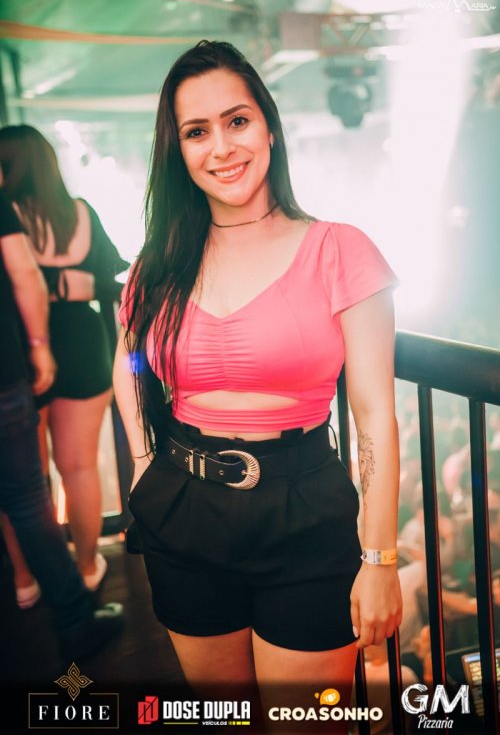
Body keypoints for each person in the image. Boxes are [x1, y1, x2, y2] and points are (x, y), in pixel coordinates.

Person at [114, 40, 402, 732]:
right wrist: (146, 466)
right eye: (196, 131)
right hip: (183, 507)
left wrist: (379, 559)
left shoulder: (339, 248)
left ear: (268, 126)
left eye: (237, 121)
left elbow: (374, 416)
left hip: (303, 510)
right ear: (178, 151)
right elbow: (128, 364)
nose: (222, 147)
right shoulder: (159, 264)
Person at [0, 125, 128, 590]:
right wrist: (74, 283)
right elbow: (113, 275)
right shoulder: (80, 213)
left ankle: (26, 579)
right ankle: (89, 568)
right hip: (84, 342)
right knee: (79, 468)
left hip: (23, 351)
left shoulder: (6, 217)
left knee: (25, 482)